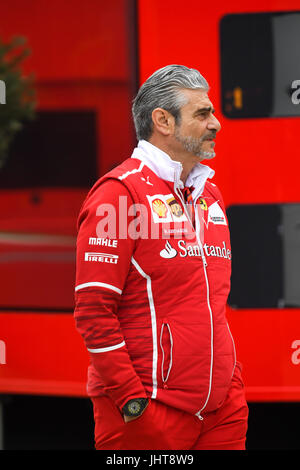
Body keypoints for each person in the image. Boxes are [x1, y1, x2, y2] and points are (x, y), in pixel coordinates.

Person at [74, 64, 249, 450]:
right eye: (202, 114)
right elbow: (93, 310)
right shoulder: (119, 195)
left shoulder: (209, 195)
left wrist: (231, 383)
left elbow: (210, 304)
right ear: (163, 121)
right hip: (149, 412)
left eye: (213, 113)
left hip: (223, 412)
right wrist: (130, 400)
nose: (216, 123)